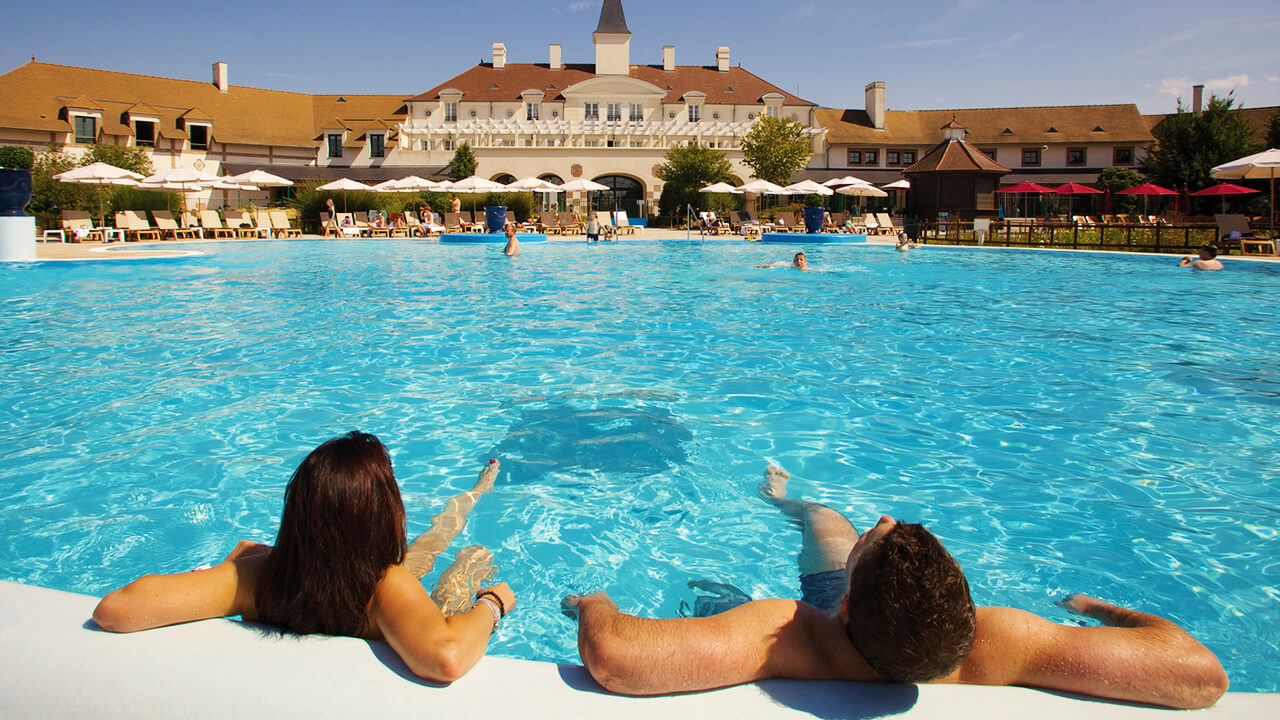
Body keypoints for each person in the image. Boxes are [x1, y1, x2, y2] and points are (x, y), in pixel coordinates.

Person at [563, 465, 1228, 709]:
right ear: (963, 597)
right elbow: (1201, 675)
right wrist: (1102, 610)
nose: (883, 518)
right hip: (885, 624)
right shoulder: (1002, 640)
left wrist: (594, 603)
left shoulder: (793, 629)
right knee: (828, 518)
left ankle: (788, 511)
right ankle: (790, 503)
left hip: (832, 638)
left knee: (719, 594)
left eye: (873, 541)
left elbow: (620, 655)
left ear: (844, 601)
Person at [93, 432, 516, 684]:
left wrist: (231, 572)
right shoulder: (386, 585)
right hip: (405, 610)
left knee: (424, 550)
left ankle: (479, 488)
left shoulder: (259, 577)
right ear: (383, 515)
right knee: (471, 559)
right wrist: (493, 605)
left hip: (320, 575)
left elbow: (117, 609)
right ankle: (479, 492)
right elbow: (447, 656)